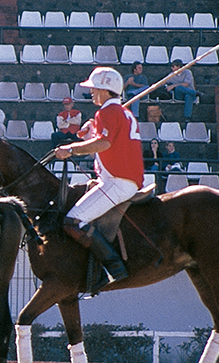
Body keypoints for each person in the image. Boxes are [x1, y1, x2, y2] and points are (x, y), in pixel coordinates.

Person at [54, 67, 143, 294]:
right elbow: (106, 137)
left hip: (117, 182)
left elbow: (104, 144)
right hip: (121, 179)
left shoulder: (108, 113)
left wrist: (71, 149)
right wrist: (91, 129)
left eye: (94, 88)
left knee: (73, 221)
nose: (91, 92)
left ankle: (114, 268)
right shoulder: (120, 113)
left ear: (105, 90)